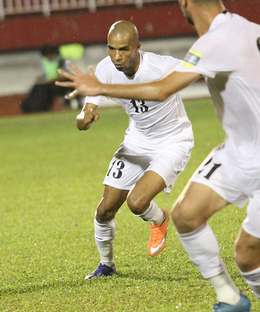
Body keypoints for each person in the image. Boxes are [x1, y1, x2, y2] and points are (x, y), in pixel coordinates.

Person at [56, 0, 260, 312]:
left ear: (182, 0)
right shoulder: (243, 26)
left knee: (247, 256)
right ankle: (228, 297)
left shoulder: (211, 44)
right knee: (185, 214)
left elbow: (162, 90)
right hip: (241, 149)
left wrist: (100, 89)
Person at [78, 20, 193, 279]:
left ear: (138, 47)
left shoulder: (161, 66)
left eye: (124, 50)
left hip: (173, 141)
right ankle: (106, 265)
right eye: (111, 49)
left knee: (137, 202)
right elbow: (89, 106)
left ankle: (159, 217)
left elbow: (199, 69)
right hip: (137, 141)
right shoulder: (106, 69)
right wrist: (83, 118)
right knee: (105, 209)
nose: (117, 57)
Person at [20, 45, 78, 113]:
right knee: (37, 88)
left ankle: (66, 104)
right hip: (49, 83)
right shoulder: (44, 62)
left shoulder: (61, 61)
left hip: (61, 83)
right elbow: (44, 75)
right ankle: (36, 107)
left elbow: (67, 74)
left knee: (52, 88)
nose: (49, 57)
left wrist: (53, 80)